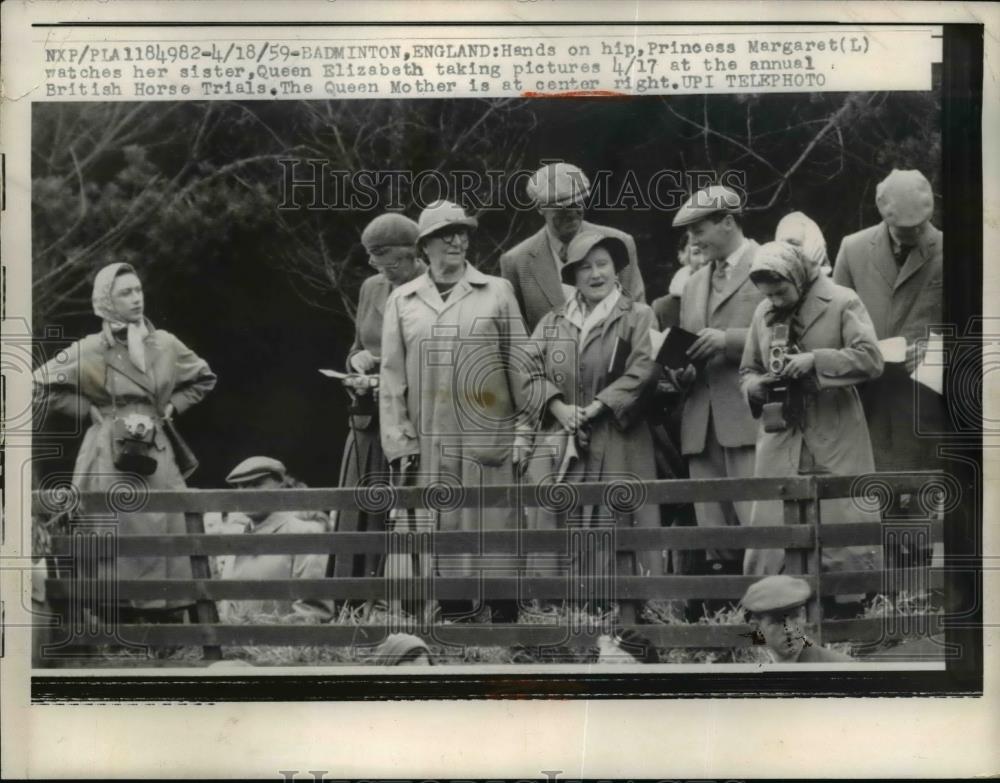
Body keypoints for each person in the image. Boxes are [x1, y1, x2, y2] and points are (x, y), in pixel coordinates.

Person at [33, 262, 217, 623]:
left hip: (155, 449)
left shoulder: (165, 344)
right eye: (125, 293)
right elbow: (38, 383)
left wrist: (171, 406)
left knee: (164, 524)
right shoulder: (89, 350)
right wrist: (85, 409)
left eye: (138, 290)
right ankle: (115, 623)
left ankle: (166, 622)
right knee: (110, 528)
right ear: (106, 301)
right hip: (108, 454)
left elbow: (204, 378)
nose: (136, 299)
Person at [380, 200, 533, 623]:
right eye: (445, 233)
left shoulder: (497, 291)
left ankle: (505, 627)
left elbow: (521, 363)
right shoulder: (403, 301)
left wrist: (525, 430)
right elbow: (391, 381)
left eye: (463, 232)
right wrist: (399, 442)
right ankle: (455, 622)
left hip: (489, 438)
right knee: (440, 531)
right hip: (430, 442)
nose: (457, 240)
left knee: (495, 526)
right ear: (424, 246)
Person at [523, 231, 661, 624]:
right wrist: (558, 406)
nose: (596, 274)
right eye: (585, 267)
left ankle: (630, 617)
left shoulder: (638, 316)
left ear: (617, 270)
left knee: (618, 519)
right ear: (572, 275)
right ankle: (559, 615)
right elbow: (526, 370)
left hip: (620, 436)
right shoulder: (553, 321)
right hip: (563, 440)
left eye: (603, 264)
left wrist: (602, 404)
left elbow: (645, 367)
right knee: (558, 519)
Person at [740, 239, 883, 580]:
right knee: (773, 523)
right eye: (768, 294)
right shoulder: (763, 313)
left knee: (841, 519)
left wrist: (815, 361)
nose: (774, 301)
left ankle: (848, 607)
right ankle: (775, 609)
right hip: (781, 433)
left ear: (798, 276)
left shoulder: (841, 301)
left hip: (833, 431)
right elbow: (748, 368)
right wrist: (754, 387)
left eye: (781, 292)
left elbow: (871, 358)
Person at [671, 186, 764, 575]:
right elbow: (684, 343)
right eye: (689, 232)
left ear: (728, 222)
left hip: (747, 420)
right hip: (700, 426)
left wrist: (727, 341)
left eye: (699, 228)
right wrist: (677, 368)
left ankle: (770, 625)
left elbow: (788, 338)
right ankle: (727, 625)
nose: (692, 239)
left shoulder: (768, 264)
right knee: (715, 535)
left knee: (759, 528)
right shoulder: (692, 283)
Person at [332, 213, 426, 582]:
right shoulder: (371, 288)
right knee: (359, 510)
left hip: (412, 418)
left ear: (414, 253)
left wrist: (387, 375)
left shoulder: (433, 291)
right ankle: (353, 598)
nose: (380, 268)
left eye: (387, 259)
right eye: (374, 259)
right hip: (369, 423)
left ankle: (408, 598)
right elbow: (357, 346)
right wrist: (355, 362)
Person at [832, 168, 945, 473]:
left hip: (927, 402)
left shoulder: (954, 249)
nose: (915, 234)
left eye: (920, 227)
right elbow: (833, 321)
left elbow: (979, 323)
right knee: (869, 496)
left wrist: (938, 350)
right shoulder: (852, 248)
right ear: (884, 214)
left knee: (927, 498)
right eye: (904, 229)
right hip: (869, 398)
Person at [500, 162, 646, 332]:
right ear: (539, 208)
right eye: (561, 207)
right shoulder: (517, 262)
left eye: (577, 203)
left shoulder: (619, 243)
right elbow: (517, 336)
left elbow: (639, 316)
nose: (571, 212)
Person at [218, 456, 330, 619]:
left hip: (277, 643)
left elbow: (312, 611)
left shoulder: (304, 534)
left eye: (256, 485)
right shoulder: (236, 540)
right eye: (241, 486)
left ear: (281, 487)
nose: (246, 493)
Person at [741, 575, 854, 662]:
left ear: (804, 616)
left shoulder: (841, 668)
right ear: (756, 629)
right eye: (777, 621)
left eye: (795, 617)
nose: (789, 629)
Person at [651, 233, 706, 330]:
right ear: (684, 256)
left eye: (707, 250)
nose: (703, 260)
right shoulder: (664, 308)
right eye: (696, 252)